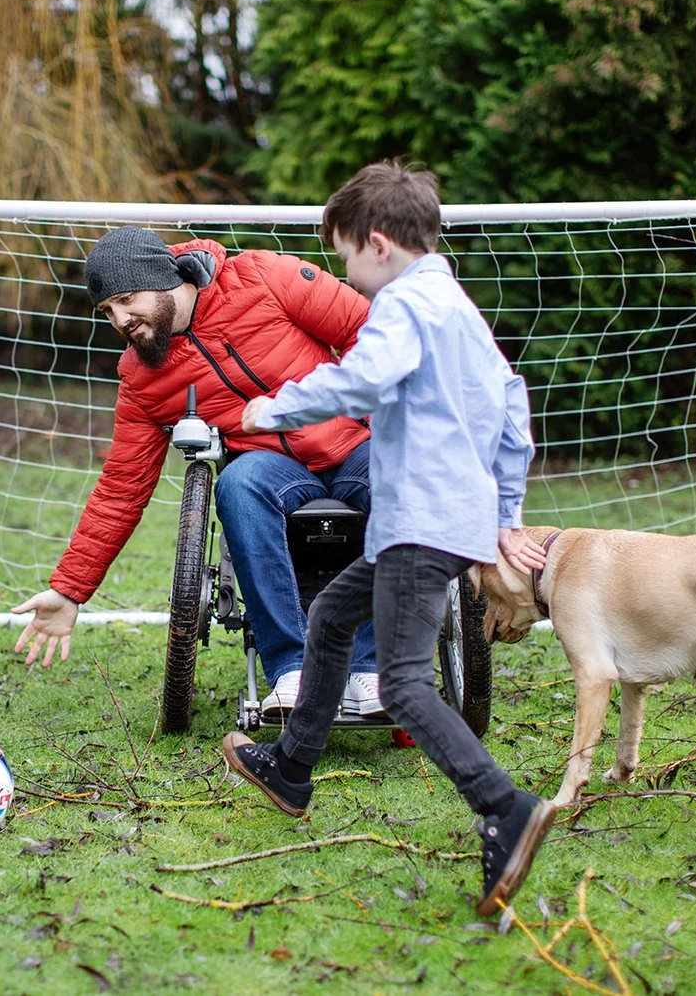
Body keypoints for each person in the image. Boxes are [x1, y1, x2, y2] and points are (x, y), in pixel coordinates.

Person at [222, 161, 554, 917]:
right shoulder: (455, 303)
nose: (350, 276)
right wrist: (501, 510)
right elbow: (512, 404)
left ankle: (504, 805)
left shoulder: (404, 304)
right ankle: (293, 767)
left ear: (376, 244)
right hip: (447, 513)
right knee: (334, 617)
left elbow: (363, 380)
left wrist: (267, 412)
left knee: (404, 683)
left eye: (344, 258)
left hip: (419, 518)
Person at [10, 227, 385, 719]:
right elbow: (121, 489)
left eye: (127, 299)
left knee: (398, 470)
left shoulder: (264, 277)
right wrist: (69, 590)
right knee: (238, 482)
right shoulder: (143, 378)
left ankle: (371, 671)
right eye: (107, 311)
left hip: (355, 441)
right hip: (272, 471)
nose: (120, 319)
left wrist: (377, 416)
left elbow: (374, 331)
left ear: (164, 278)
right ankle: (293, 671)